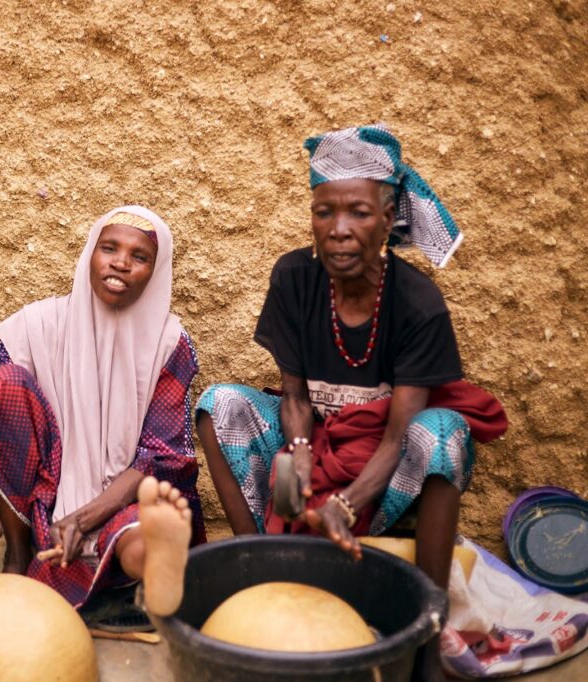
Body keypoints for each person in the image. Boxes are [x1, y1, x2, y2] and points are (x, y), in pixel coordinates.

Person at [195, 123, 507, 674]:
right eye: (325, 212)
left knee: (443, 436)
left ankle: (425, 636)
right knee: (221, 404)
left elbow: (397, 434)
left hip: (381, 466)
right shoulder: (294, 277)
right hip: (319, 437)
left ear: (388, 220)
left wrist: (342, 505)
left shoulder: (417, 302)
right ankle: (260, 572)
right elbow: (293, 393)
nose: (339, 230)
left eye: (359, 213)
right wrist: (296, 451)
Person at [0, 206, 204, 613]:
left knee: (140, 535)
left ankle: (149, 573)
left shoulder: (170, 342)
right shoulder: (37, 324)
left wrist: (84, 519)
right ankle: (18, 557)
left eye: (140, 257)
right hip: (47, 493)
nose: (120, 262)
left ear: (156, 271)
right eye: (109, 248)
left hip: (126, 498)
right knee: (7, 383)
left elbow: (161, 456)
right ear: (90, 253)